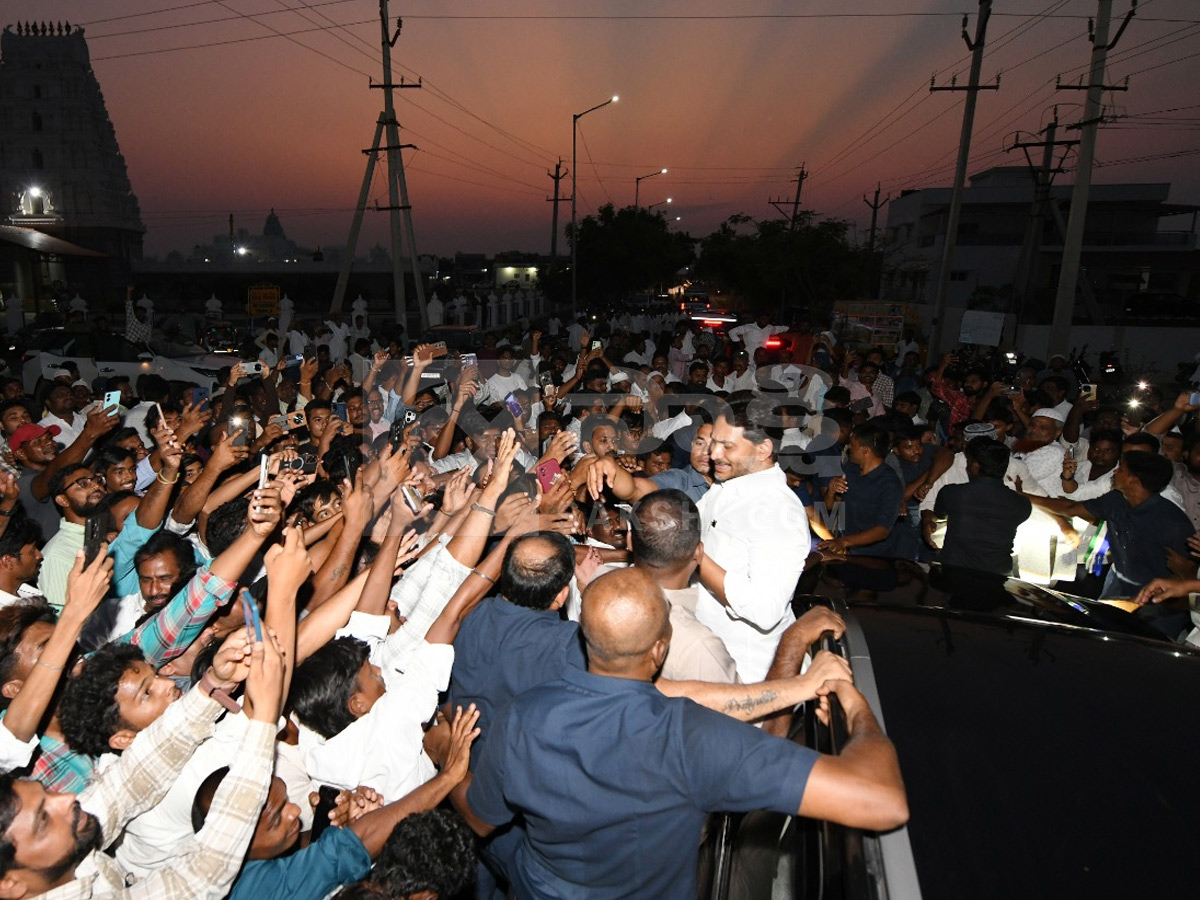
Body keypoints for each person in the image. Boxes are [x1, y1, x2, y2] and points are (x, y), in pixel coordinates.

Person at [463, 567, 908, 900]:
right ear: (659, 650)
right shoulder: (690, 739)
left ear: (585, 637)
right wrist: (853, 702)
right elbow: (880, 800)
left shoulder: (525, 715)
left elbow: (481, 820)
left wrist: (451, 766)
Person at [694, 398, 811, 681]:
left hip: (747, 675)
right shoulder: (726, 486)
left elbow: (764, 609)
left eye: (727, 446)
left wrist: (693, 554)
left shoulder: (777, 510)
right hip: (710, 660)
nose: (713, 454)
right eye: (714, 443)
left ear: (763, 450)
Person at [1024, 451, 1194, 599]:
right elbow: (1071, 508)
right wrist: (1023, 496)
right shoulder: (1116, 499)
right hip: (1118, 583)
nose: (1115, 471)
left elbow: (1189, 572)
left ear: (1133, 480)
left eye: (1121, 469)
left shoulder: (1172, 522)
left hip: (1157, 597)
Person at [819, 422, 916, 560]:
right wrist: (831, 491)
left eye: (853, 445)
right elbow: (831, 508)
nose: (849, 449)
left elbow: (882, 531)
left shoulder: (889, 483)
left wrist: (843, 542)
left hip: (875, 554)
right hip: (848, 548)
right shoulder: (851, 469)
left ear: (865, 450)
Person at [934, 438, 1032, 575]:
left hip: (954, 573)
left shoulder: (951, 493)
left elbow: (940, 514)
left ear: (975, 466)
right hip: (997, 575)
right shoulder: (1021, 504)